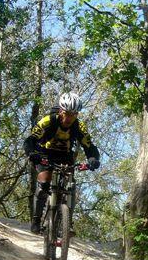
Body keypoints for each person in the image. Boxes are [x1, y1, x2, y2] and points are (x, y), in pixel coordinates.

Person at [24, 92, 100, 234]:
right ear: (60, 111)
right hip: (44, 153)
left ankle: (67, 222)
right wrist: (31, 153)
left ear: (77, 114)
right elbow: (30, 140)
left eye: (73, 114)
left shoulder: (79, 127)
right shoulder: (48, 121)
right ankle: (36, 220)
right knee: (45, 180)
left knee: (70, 183)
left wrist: (93, 159)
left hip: (64, 155)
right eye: (67, 113)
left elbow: (90, 147)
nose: (69, 118)